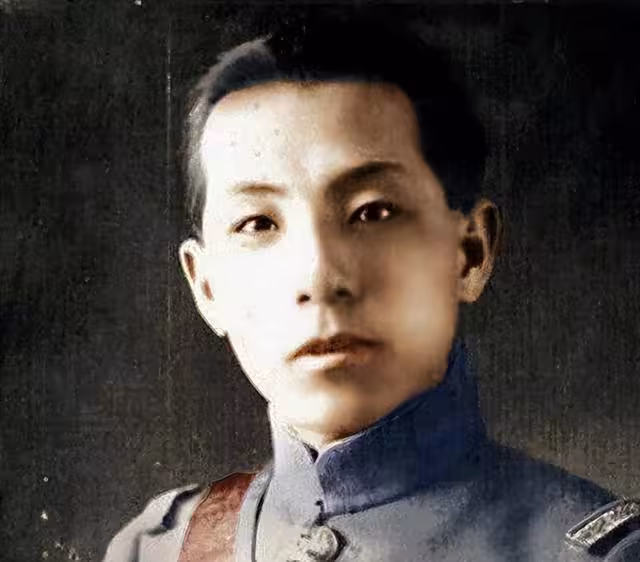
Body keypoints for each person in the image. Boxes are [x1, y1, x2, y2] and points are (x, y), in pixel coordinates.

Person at [103, 10, 640, 562]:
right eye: (258, 223)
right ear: (206, 286)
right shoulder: (156, 549)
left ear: (470, 252)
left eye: (373, 212)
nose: (318, 276)